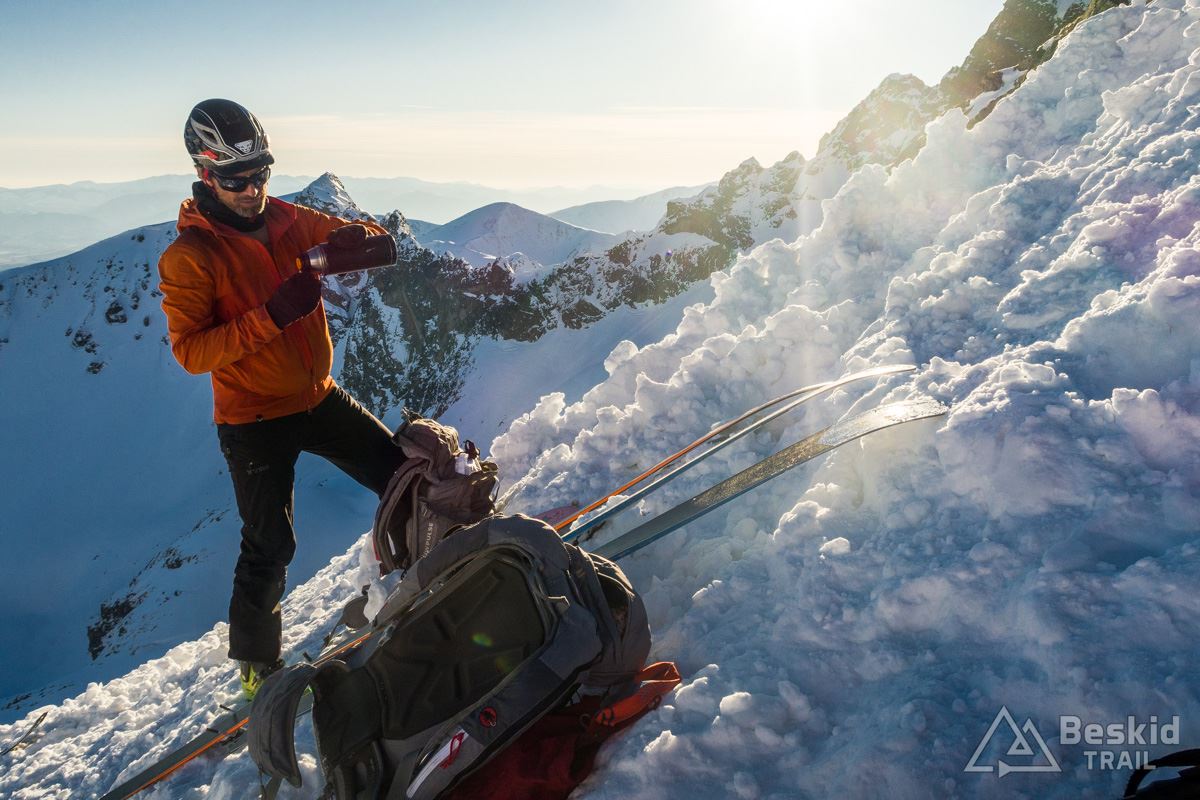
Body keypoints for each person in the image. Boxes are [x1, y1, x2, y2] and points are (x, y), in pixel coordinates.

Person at [157, 99, 405, 699]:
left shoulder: (292, 219)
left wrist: (356, 241)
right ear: (205, 175)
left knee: (401, 477)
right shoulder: (190, 257)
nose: (253, 190)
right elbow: (192, 351)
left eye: (260, 173)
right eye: (236, 179)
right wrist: (271, 316)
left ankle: (425, 568)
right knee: (270, 544)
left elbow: (374, 241)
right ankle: (255, 666)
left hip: (318, 396)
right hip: (253, 419)